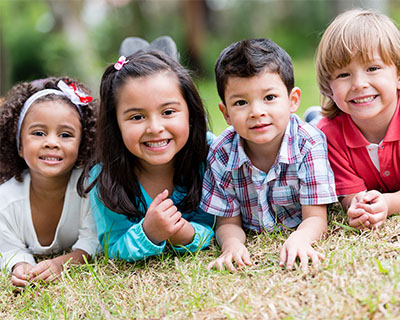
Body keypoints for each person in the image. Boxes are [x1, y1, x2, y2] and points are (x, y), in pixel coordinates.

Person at [200, 38, 337, 272]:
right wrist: (231, 244)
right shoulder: (221, 152)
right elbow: (227, 222)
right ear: (226, 113)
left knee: (315, 126)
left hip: (297, 210)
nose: (257, 112)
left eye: (269, 98)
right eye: (241, 102)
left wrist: (301, 238)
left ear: (292, 100)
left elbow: (316, 217)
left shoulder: (309, 143)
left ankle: (314, 116)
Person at [82, 51, 214, 262]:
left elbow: (218, 222)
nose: (155, 128)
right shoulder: (105, 176)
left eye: (168, 112)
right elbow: (113, 245)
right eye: (137, 117)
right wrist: (148, 233)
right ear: (115, 125)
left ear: (190, 111)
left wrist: (185, 235)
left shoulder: (210, 153)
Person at [0, 77, 100, 286]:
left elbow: (93, 240)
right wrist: (21, 265)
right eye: (38, 133)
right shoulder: (5, 200)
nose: (52, 143)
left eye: (65, 135)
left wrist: (62, 263)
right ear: (19, 144)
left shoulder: (90, 189)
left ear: (82, 145)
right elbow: (8, 247)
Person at [316, 9, 400, 230]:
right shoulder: (327, 136)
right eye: (343, 75)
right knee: (315, 127)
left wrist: (389, 204)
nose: (359, 84)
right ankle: (314, 115)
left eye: (373, 68)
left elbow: (388, 204)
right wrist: (359, 207)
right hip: (328, 124)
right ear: (328, 88)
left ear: (398, 75)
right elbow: (351, 196)